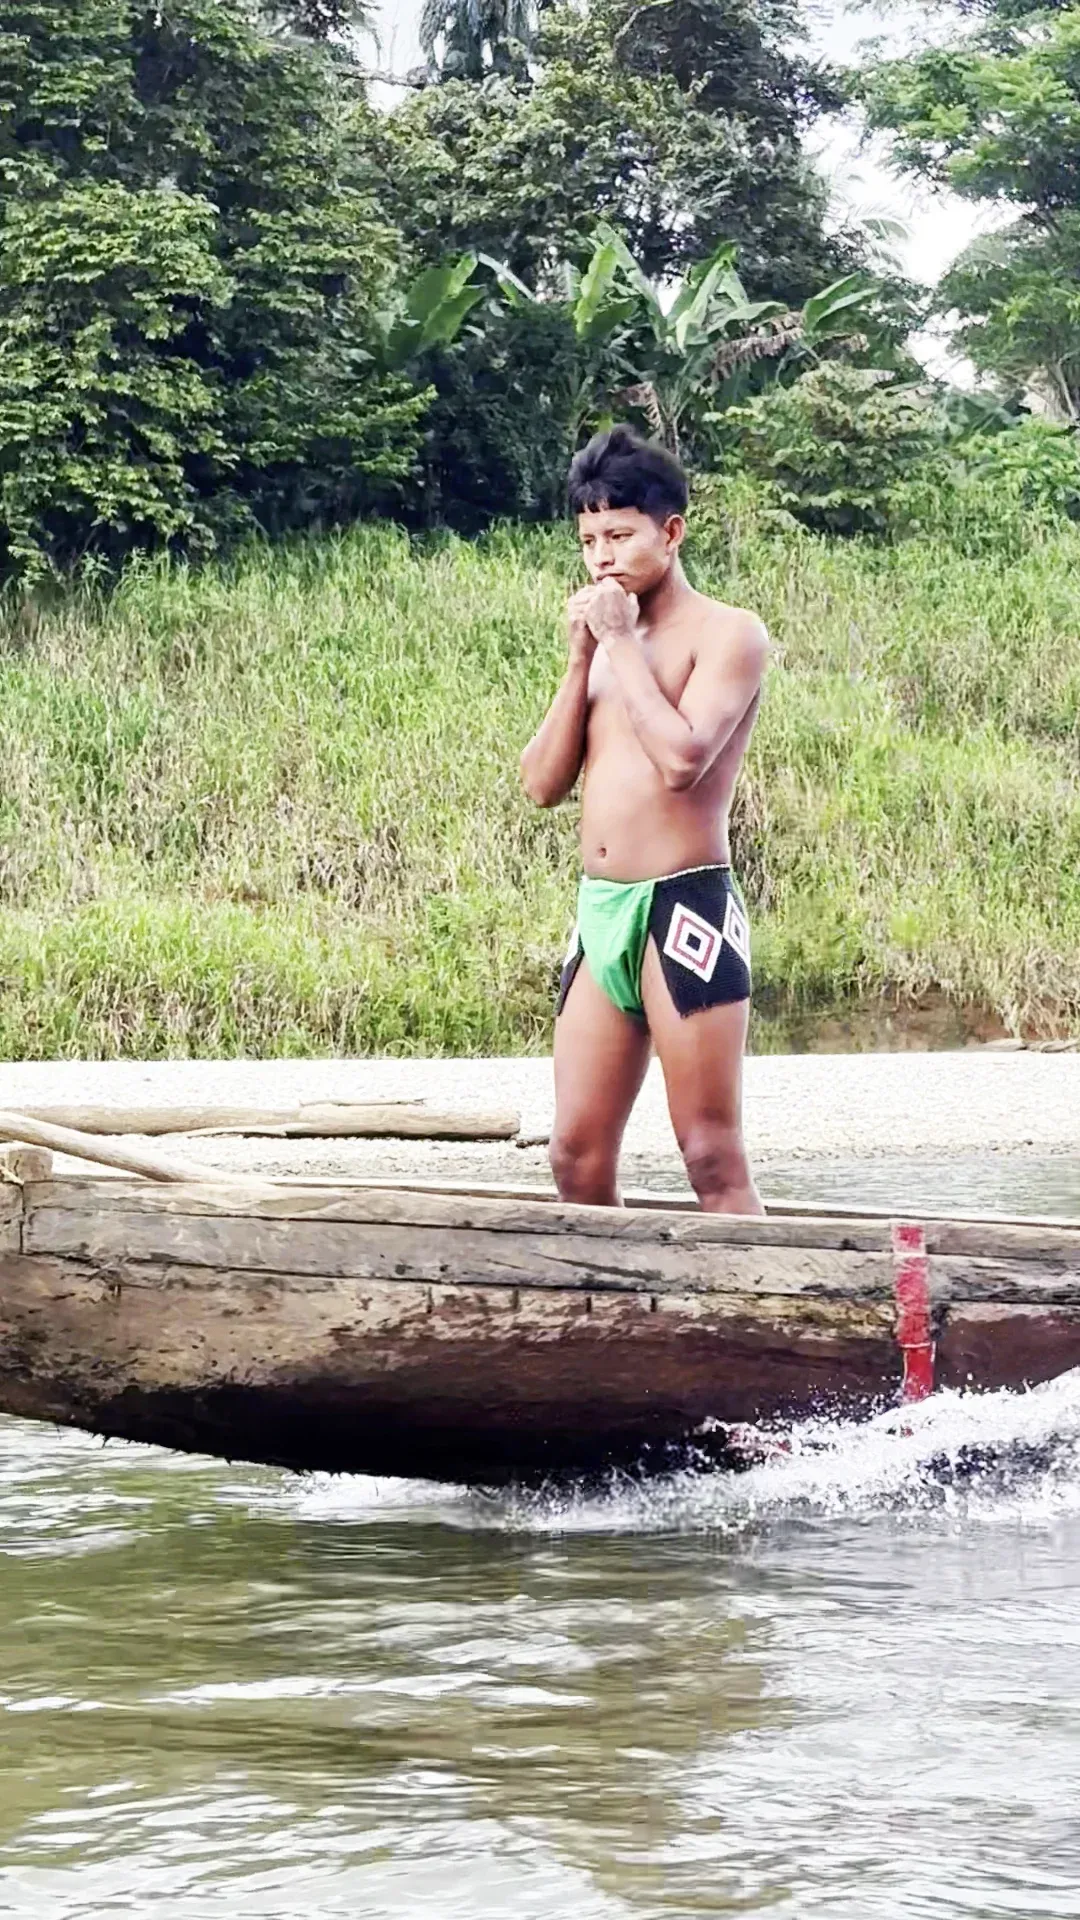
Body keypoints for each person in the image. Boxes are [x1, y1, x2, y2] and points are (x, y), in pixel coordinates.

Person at [520, 425, 769, 1215]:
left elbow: (682, 761)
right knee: (574, 1156)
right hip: (602, 913)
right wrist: (579, 659)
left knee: (709, 1153)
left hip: (685, 905)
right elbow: (541, 784)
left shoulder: (728, 633)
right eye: (589, 538)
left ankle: (754, 1326)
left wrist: (620, 642)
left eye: (620, 535)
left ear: (671, 532)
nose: (601, 557)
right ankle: (611, 1333)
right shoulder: (603, 646)